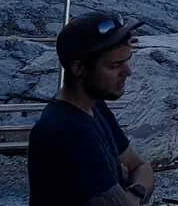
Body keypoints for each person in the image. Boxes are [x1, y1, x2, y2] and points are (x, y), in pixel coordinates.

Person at [28, 12, 155, 206]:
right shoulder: (65, 131)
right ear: (78, 69)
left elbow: (141, 166)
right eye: (114, 66)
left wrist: (135, 192)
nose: (128, 72)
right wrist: (135, 188)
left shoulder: (96, 107)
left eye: (126, 61)